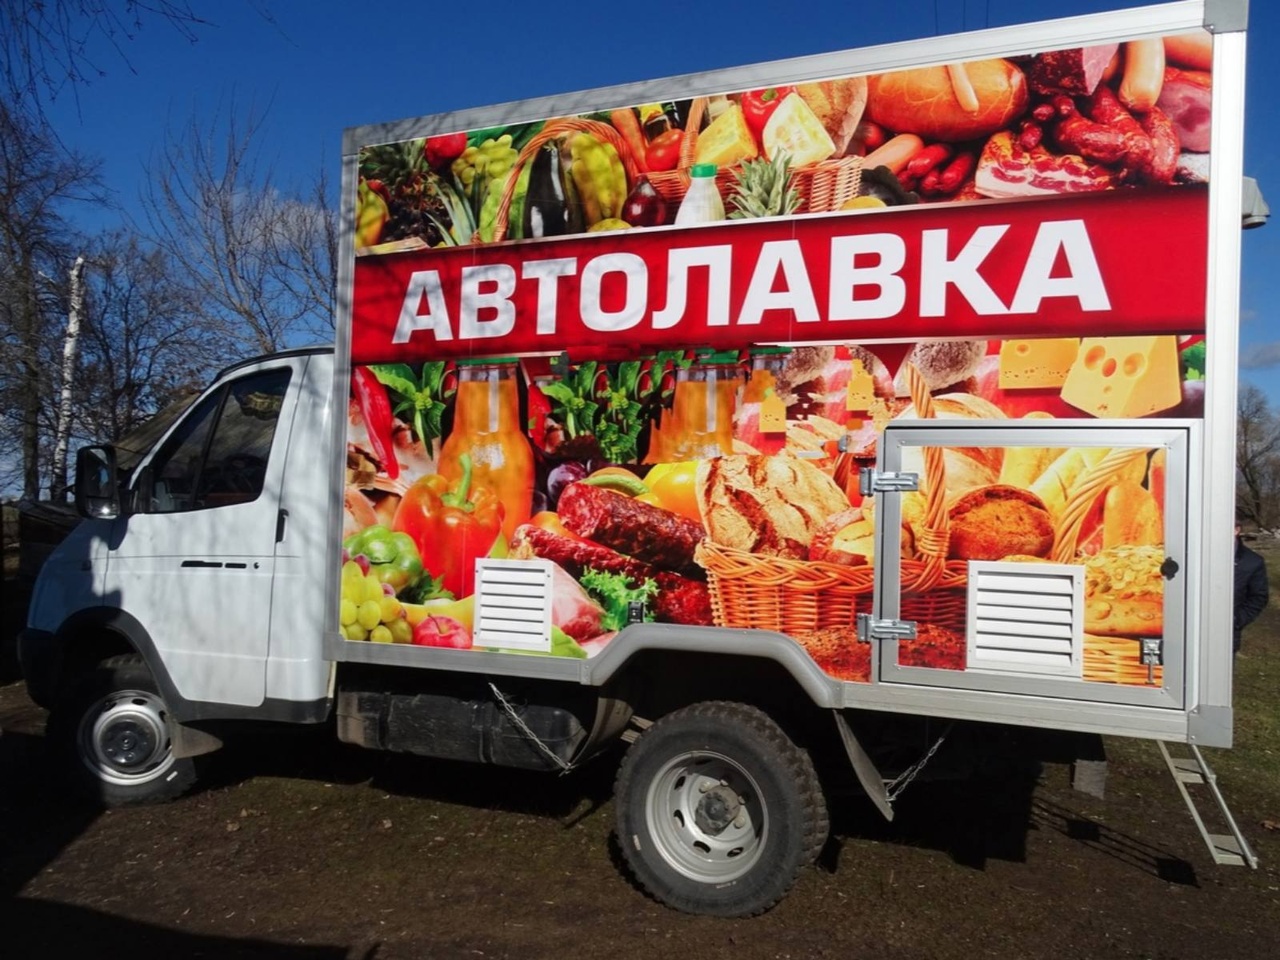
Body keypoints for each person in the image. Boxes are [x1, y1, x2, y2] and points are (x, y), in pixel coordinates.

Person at [1233, 519, 1269, 654]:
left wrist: (1236, 620)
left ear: (1237, 530)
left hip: (1227, 636)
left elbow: (1258, 597)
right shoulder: (1196, 556)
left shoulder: (1252, 562)